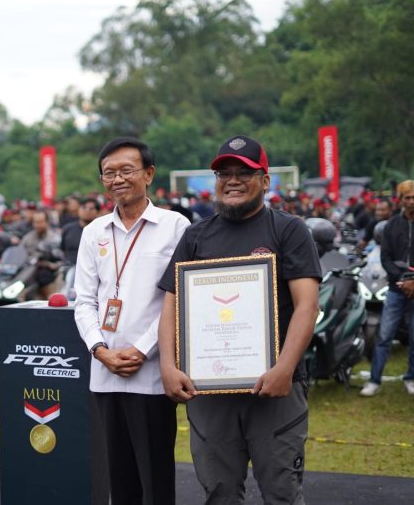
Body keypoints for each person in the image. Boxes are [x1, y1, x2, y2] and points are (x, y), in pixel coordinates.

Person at [157, 136, 321, 504]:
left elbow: (307, 306)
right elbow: (171, 305)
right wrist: (168, 366)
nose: (233, 180)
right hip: (209, 390)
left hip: (274, 388)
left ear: (265, 180)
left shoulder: (289, 230)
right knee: (219, 493)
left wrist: (284, 368)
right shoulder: (195, 236)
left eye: (244, 173)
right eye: (224, 173)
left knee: (281, 492)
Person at [74, 137, 190, 504]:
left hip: (152, 374)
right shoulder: (93, 232)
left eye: (127, 170)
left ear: (149, 174)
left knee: (156, 480)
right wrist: (100, 349)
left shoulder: (175, 226)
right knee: (119, 480)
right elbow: (84, 301)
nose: (117, 179)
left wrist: (141, 350)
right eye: (109, 173)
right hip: (105, 372)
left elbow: (179, 299)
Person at [360, 180, 414, 396]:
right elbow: (386, 258)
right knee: (384, 336)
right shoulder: (391, 226)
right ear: (400, 200)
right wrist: (403, 280)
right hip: (395, 289)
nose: (411, 201)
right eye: (407, 197)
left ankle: (411, 377)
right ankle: (374, 380)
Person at [20, 210, 62, 299]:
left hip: (49, 272)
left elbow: (60, 258)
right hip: (28, 272)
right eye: (35, 222)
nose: (37, 225)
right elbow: (20, 254)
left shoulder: (55, 238)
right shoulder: (27, 238)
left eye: (40, 222)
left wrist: (48, 264)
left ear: (47, 222)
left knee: (44, 276)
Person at [60, 197, 100, 266]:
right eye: (84, 207)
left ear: (98, 212)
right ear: (79, 209)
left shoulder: (101, 231)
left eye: (91, 208)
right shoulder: (67, 229)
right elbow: (63, 250)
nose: (87, 210)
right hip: (69, 266)